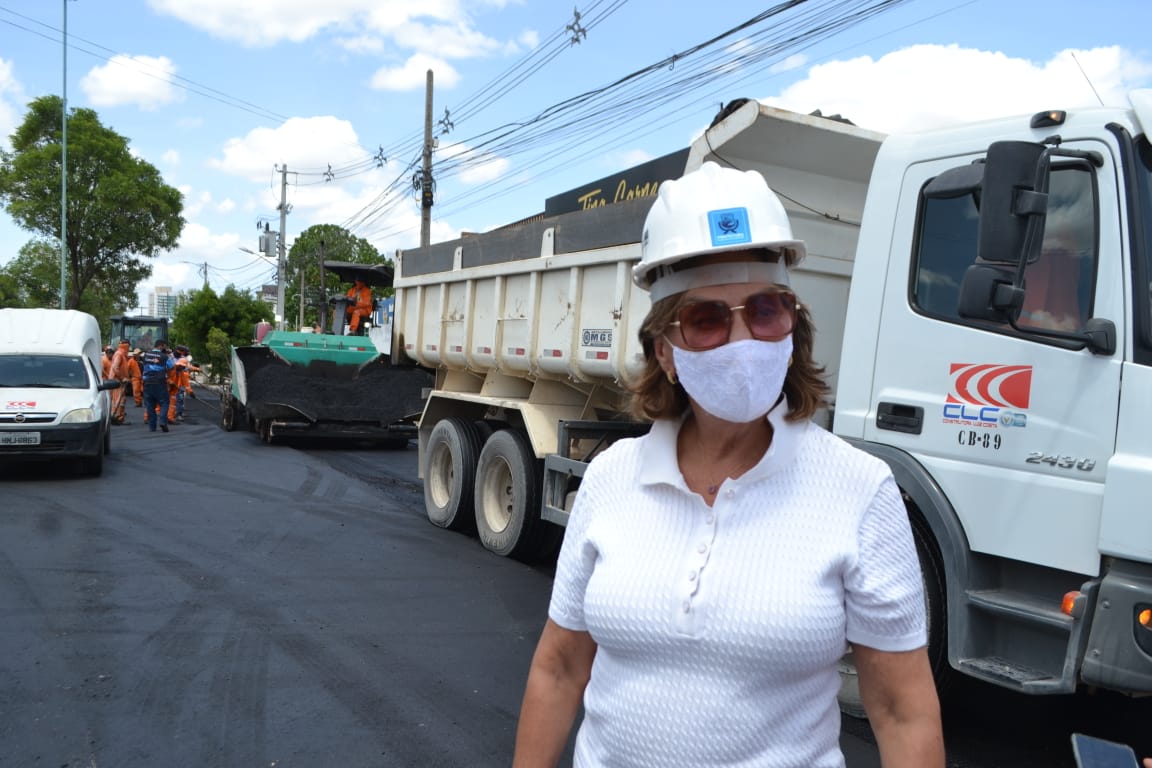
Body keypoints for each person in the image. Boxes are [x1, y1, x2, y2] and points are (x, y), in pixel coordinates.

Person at [513, 163, 944, 767]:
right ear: (664, 350)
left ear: (793, 329)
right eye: (707, 319)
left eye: (765, 310)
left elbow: (902, 710)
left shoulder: (859, 490)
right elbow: (559, 669)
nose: (744, 340)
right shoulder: (611, 479)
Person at [140, 339, 174, 433]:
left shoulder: (146, 355)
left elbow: (144, 366)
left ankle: (152, 427)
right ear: (161, 346)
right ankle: (163, 421)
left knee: (150, 405)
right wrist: (168, 376)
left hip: (147, 383)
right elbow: (171, 367)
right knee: (164, 402)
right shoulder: (164, 356)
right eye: (164, 346)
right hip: (159, 383)